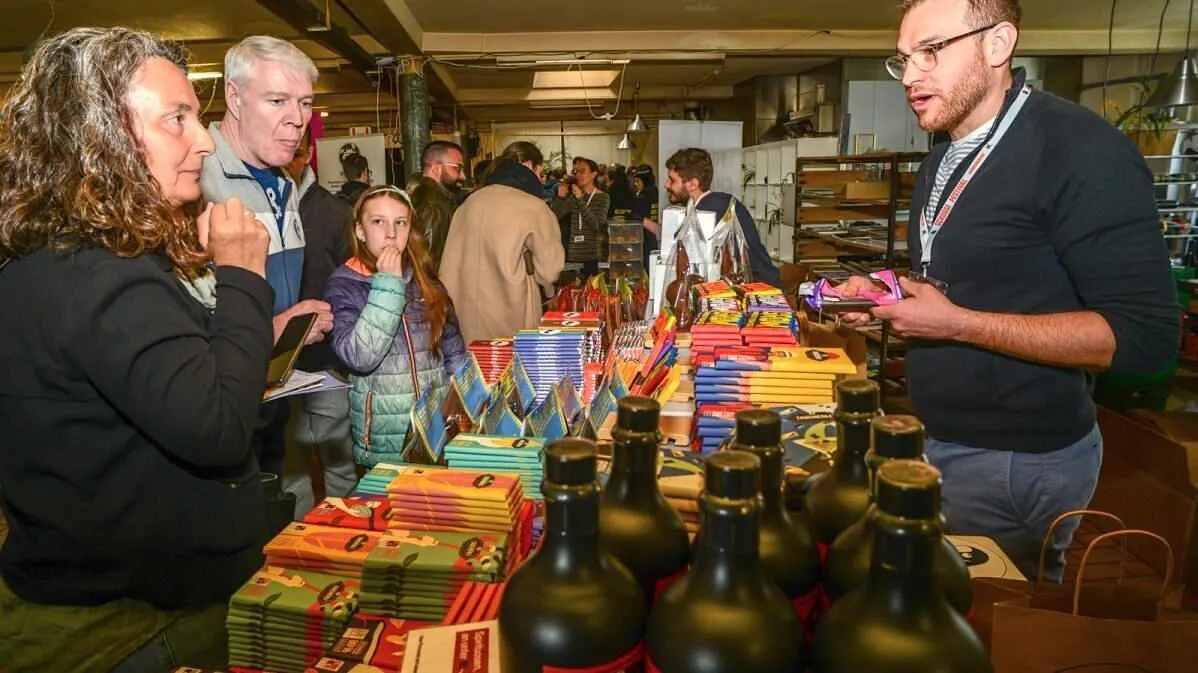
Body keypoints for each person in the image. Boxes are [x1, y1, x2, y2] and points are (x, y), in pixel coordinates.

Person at [836, 0, 1179, 581]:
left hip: (1018, 462)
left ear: (998, 45)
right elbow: (965, 278)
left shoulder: (1080, 152)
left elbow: (1145, 337)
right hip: (940, 441)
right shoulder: (941, 157)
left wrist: (958, 323)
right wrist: (886, 292)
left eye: (932, 51)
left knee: (979, 630)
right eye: (903, 60)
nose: (912, 75)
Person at [0, 27, 273, 672]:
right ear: (100, 138)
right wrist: (240, 277)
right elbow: (217, 428)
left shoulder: (51, 259)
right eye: (177, 119)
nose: (204, 141)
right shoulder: (104, 273)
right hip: (131, 628)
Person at [200, 35, 333, 477]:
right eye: (277, 101)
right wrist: (271, 330)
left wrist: (293, 324)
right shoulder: (195, 181)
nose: (298, 120)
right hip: (219, 413)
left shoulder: (285, 184)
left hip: (274, 401)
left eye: (306, 103)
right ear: (234, 98)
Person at [325, 186, 468, 467]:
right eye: (378, 222)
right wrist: (388, 284)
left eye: (400, 223)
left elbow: (453, 349)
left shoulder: (423, 279)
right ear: (360, 231)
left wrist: (460, 404)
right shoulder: (343, 285)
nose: (391, 233)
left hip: (435, 428)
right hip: (385, 437)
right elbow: (360, 357)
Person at [280, 130, 356, 515]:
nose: (283, 161)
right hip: (279, 357)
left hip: (327, 357)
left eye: (293, 154)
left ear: (307, 155)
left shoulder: (334, 212)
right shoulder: (264, 205)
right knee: (290, 462)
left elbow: (353, 286)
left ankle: (348, 538)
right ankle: (300, 542)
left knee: (338, 458)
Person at [440, 141, 566, 343]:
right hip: (511, 314)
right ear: (530, 166)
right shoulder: (534, 207)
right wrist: (550, 295)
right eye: (539, 171)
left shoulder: (469, 202)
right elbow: (549, 271)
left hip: (464, 314)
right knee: (509, 370)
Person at [658, 148, 782, 286]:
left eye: (672, 180)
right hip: (762, 286)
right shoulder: (720, 202)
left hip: (759, 294)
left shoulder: (706, 213)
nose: (666, 185)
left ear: (693, 184)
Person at [406, 140, 466, 272]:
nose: (463, 176)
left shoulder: (431, 197)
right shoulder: (433, 205)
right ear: (436, 168)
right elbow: (428, 261)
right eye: (458, 168)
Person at [551, 156, 610, 277]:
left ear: (594, 174)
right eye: (576, 172)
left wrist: (580, 199)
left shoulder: (603, 198)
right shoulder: (574, 196)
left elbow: (597, 226)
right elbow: (555, 215)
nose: (578, 175)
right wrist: (560, 198)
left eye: (582, 171)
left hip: (592, 255)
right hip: (573, 255)